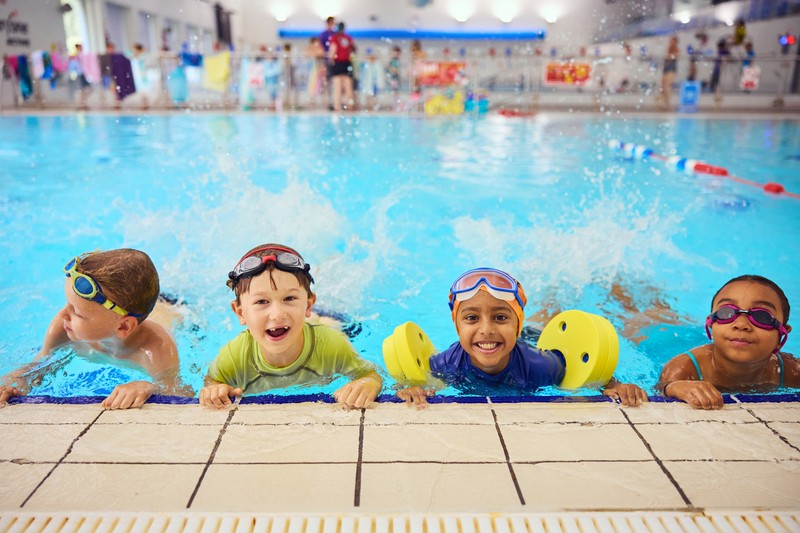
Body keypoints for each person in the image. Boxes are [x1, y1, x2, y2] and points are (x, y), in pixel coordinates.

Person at [396, 268, 648, 407]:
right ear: (457, 328)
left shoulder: (542, 365)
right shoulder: (449, 362)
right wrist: (411, 390)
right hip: (509, 344)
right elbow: (413, 384)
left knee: (549, 321)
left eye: (501, 318)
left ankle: (569, 293)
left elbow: (591, 378)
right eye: (472, 318)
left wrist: (614, 386)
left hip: (532, 341)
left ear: (516, 325)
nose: (486, 329)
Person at [199, 244, 382, 409]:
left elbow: (371, 375)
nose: (277, 314)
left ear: (309, 305)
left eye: (289, 298)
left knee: (331, 324)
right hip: (299, 322)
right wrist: (214, 389)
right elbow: (212, 381)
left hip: (326, 323)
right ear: (240, 313)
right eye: (262, 301)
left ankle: (333, 262)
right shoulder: (234, 355)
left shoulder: (332, 344)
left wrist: (366, 384)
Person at [0, 249, 184, 409]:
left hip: (173, 308)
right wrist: (11, 384)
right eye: (68, 304)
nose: (63, 314)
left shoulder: (156, 349)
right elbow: (37, 368)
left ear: (123, 326)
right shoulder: (63, 328)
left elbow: (180, 393)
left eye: (78, 313)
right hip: (131, 306)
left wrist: (148, 387)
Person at [658, 275, 798, 410]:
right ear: (711, 325)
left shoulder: (792, 371)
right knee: (655, 319)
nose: (741, 324)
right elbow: (662, 390)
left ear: (781, 335)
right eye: (726, 312)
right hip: (662, 340)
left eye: (762, 316)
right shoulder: (685, 367)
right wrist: (674, 387)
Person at [328, 22, 356, 111]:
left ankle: (338, 107)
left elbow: (332, 51)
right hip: (347, 63)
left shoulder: (335, 38)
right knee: (348, 86)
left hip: (337, 63)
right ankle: (350, 106)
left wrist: (330, 61)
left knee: (337, 86)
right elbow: (352, 51)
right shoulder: (348, 38)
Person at [659, 35, 679, 109]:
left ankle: (667, 104)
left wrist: (669, 56)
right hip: (666, 69)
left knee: (667, 87)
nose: (670, 42)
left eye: (672, 40)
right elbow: (667, 58)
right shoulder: (669, 49)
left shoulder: (676, 49)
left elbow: (673, 57)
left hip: (671, 70)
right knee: (663, 87)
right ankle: (664, 102)